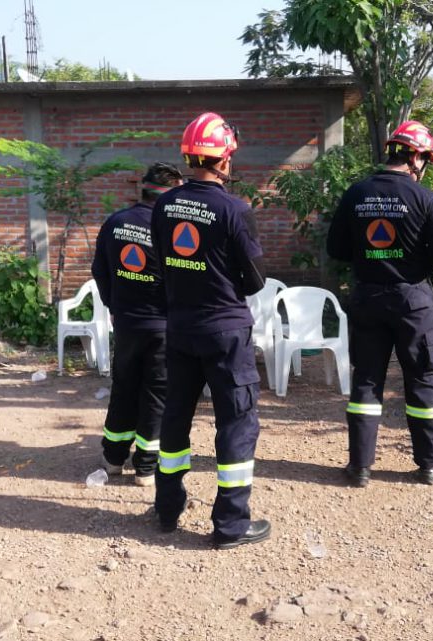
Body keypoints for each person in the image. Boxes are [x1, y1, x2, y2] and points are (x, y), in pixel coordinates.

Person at [151, 112, 270, 549]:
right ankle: (231, 525)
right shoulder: (234, 208)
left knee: (175, 418)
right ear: (224, 160)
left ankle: (166, 510)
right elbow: (255, 279)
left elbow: (163, 263)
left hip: (180, 327)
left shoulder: (164, 204)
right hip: (225, 332)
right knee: (236, 422)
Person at [326, 120, 433, 487]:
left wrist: (370, 255)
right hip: (413, 301)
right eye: (425, 159)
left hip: (367, 297)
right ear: (415, 157)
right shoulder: (425, 198)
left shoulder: (356, 193)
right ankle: (430, 465)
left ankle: (360, 468)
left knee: (366, 382)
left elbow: (335, 248)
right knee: (423, 380)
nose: (424, 166)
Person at [91, 162, 185, 486]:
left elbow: (99, 270)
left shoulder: (115, 222)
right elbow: (182, 279)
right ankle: (145, 467)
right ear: (170, 192)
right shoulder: (171, 228)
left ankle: (113, 458)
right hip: (162, 327)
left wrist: (113, 304)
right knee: (157, 393)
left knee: (124, 389)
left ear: (142, 189)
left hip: (127, 324)